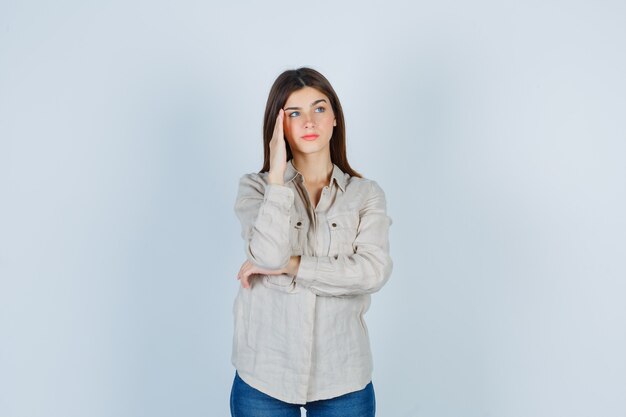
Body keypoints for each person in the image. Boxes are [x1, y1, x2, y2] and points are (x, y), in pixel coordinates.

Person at [230, 67, 393, 417]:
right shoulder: (256, 189)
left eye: (319, 109)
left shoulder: (366, 195)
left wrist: (294, 265)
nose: (309, 121)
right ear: (279, 126)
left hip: (343, 378)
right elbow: (269, 255)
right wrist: (277, 176)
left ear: (335, 118)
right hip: (265, 376)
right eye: (294, 113)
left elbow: (372, 273)